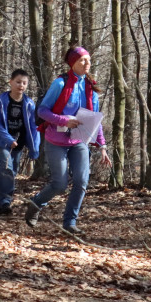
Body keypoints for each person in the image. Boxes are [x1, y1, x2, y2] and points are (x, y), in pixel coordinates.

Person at [24, 46, 110, 235]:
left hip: (79, 141)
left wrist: (102, 145)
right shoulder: (60, 84)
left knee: (81, 181)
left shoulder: (90, 88)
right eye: (82, 60)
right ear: (72, 63)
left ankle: (69, 222)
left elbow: (95, 120)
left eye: (88, 59)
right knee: (60, 184)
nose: (87, 63)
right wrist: (64, 120)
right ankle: (36, 203)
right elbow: (42, 111)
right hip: (56, 140)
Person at [0, 69, 41, 216]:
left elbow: (33, 127)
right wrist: (8, 139)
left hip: (19, 143)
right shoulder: (2, 100)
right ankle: (1, 204)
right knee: (6, 168)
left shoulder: (29, 103)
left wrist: (34, 148)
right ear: (11, 82)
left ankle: (4, 202)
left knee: (11, 172)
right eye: (18, 82)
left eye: (24, 83)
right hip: (3, 142)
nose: (21, 85)